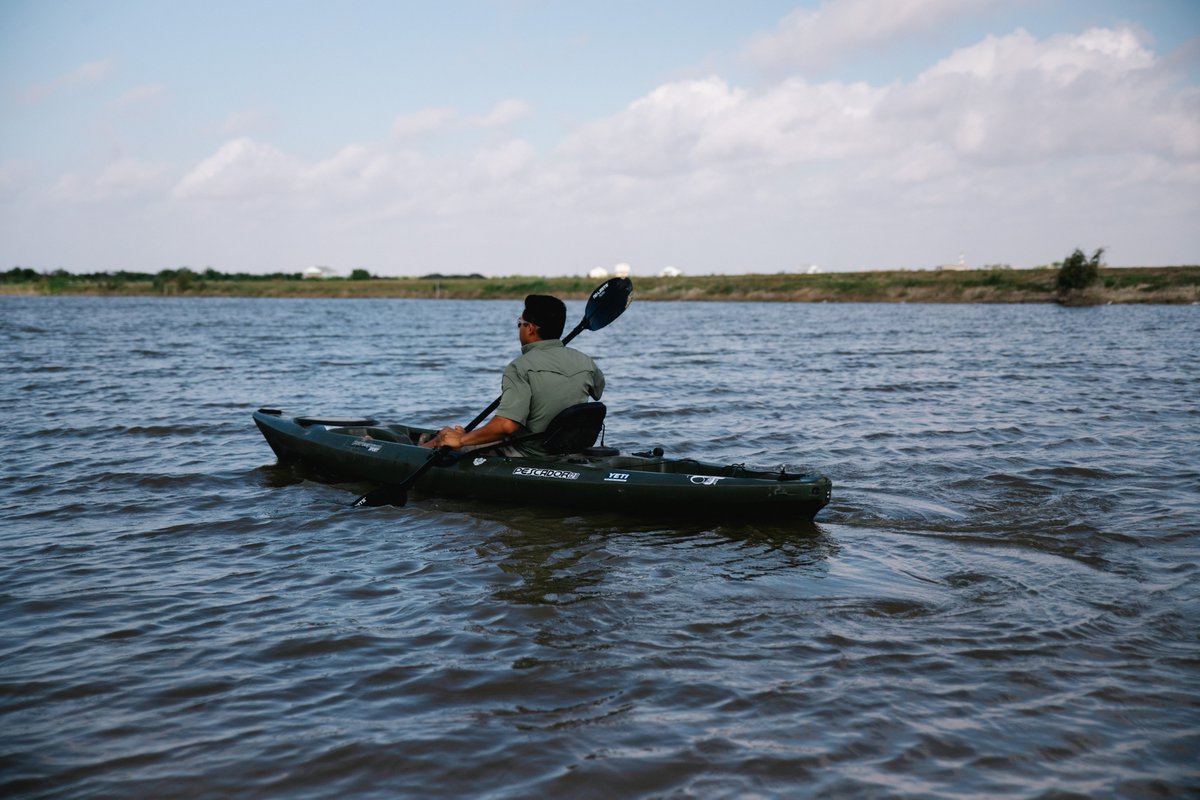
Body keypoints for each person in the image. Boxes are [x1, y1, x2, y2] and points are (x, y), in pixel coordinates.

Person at [420, 294, 604, 454]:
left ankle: (418, 453)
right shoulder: (586, 361)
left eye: (520, 324)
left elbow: (506, 426)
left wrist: (460, 440)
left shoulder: (520, 367)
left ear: (530, 328)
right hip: (567, 447)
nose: (519, 329)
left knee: (441, 439)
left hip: (529, 451)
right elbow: (598, 392)